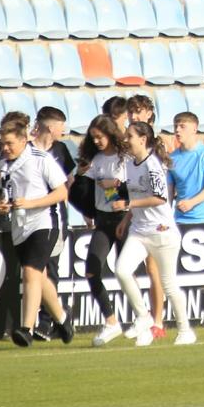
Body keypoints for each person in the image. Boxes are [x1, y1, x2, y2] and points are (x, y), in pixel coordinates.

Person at [113, 121, 197, 347]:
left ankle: (185, 330)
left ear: (142, 139)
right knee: (121, 270)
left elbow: (160, 198)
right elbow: (137, 194)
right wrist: (127, 218)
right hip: (139, 230)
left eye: (130, 135)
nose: (126, 139)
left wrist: (128, 205)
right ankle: (144, 316)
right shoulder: (130, 163)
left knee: (168, 284)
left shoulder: (153, 164)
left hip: (162, 231)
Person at [0, 118, 73, 346]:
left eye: (9, 143)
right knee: (39, 276)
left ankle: (26, 328)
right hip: (20, 226)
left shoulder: (41, 159)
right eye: (3, 144)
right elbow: (7, 193)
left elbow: (61, 193)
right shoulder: (3, 164)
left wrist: (31, 203)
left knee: (30, 272)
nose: (5, 148)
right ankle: (62, 318)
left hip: (45, 222)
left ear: (22, 139)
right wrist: (2, 204)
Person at [76, 116, 129, 347]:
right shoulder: (95, 160)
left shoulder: (124, 159)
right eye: (93, 137)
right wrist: (79, 176)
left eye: (100, 136)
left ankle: (144, 319)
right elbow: (78, 191)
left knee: (125, 271)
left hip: (124, 220)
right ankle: (111, 321)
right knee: (91, 271)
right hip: (103, 221)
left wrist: (118, 192)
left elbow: (133, 189)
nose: (97, 141)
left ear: (110, 134)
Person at [30, 106, 73, 342]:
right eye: (60, 126)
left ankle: (46, 322)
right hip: (31, 219)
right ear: (50, 126)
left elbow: (69, 183)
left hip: (56, 219)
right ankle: (56, 319)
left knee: (51, 269)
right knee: (34, 271)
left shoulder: (61, 150)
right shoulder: (28, 150)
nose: (63, 131)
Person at [169, 112, 204, 226]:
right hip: (179, 220)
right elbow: (169, 192)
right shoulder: (171, 158)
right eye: (175, 126)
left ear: (194, 129)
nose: (177, 130)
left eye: (182, 126)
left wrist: (191, 203)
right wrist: (166, 217)